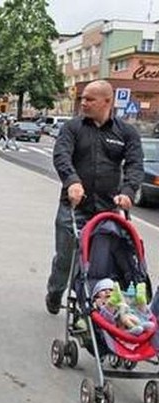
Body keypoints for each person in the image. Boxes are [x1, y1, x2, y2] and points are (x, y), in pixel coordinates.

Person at [45, 79, 144, 315]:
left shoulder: (126, 132)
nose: (83, 103)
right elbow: (61, 155)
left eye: (90, 99)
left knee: (99, 262)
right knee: (66, 258)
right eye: (82, 98)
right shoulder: (72, 128)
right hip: (74, 207)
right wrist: (72, 181)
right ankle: (56, 291)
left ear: (107, 102)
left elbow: (135, 164)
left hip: (106, 210)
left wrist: (128, 192)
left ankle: (87, 307)